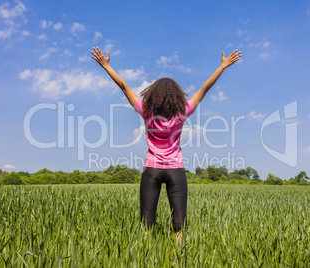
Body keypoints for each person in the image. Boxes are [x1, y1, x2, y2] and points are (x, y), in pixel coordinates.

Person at [91, 46, 241, 244]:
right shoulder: (183, 111)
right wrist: (222, 67)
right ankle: (182, 260)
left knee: (146, 223)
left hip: (151, 169)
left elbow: (124, 86)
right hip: (175, 170)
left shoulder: (146, 111)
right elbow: (205, 88)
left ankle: (144, 259)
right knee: (180, 224)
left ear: (153, 95)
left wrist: (105, 66)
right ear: (177, 96)